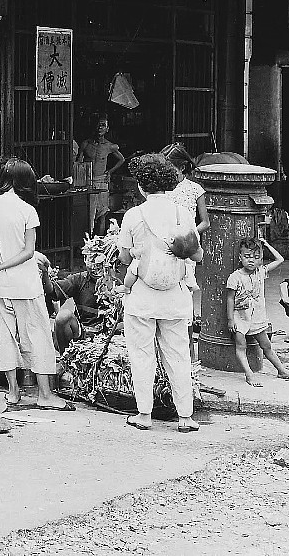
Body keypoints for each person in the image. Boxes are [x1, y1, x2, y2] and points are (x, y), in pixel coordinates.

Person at [0, 158, 72, 411]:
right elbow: (28, 252)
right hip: (25, 284)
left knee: (6, 337)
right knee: (37, 335)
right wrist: (2, 265)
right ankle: (45, 395)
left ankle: (13, 393)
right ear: (25, 181)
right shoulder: (27, 210)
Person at [116, 153, 203, 433]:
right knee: (178, 355)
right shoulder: (183, 214)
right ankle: (186, 418)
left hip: (142, 296)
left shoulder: (134, 215)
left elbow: (124, 258)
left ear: (141, 186)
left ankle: (144, 414)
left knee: (142, 355)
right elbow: (195, 254)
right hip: (176, 296)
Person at [225, 237, 289, 387]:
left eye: (256, 257)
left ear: (260, 259)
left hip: (257, 316)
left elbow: (280, 259)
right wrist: (230, 319)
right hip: (239, 317)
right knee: (241, 346)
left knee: (266, 345)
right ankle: (249, 374)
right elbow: (230, 299)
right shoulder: (235, 277)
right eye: (247, 256)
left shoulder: (260, 272)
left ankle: (281, 370)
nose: (251, 260)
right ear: (240, 257)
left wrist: (266, 244)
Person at [162, 142, 211, 362]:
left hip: (188, 249)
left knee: (185, 296)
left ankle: (189, 353)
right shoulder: (162, 189)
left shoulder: (195, 189)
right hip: (165, 247)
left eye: (171, 167)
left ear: (182, 167)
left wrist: (189, 233)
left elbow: (205, 222)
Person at [42, 249, 118, 353]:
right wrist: (45, 272)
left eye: (99, 264)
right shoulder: (79, 279)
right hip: (83, 331)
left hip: (112, 334)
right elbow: (51, 290)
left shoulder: (119, 282)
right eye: (90, 261)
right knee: (63, 317)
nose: (95, 267)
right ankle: (65, 359)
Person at [77, 116, 125, 236]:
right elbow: (78, 162)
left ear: (107, 129)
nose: (100, 127)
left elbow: (121, 159)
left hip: (101, 180)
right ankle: (86, 240)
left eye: (103, 125)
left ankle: (99, 241)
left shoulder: (109, 146)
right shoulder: (86, 144)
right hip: (87, 181)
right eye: (98, 124)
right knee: (87, 213)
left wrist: (110, 172)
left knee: (102, 213)